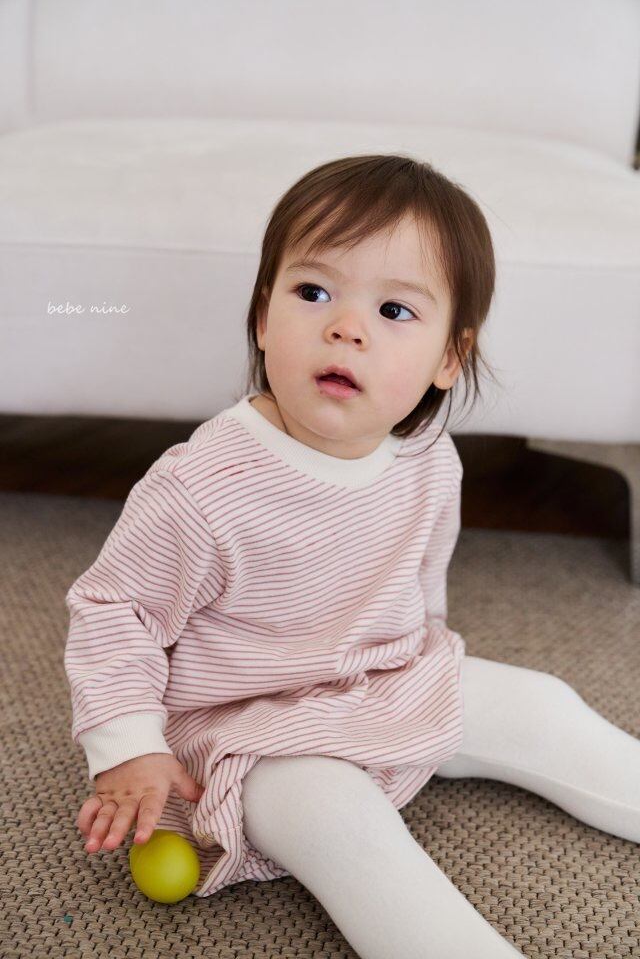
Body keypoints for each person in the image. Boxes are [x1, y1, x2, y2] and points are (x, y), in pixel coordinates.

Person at [65, 155, 639, 958]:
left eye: (395, 309)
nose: (346, 326)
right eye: (313, 293)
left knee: (543, 707)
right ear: (263, 319)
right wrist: (131, 749)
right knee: (337, 820)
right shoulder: (201, 487)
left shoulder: (429, 459)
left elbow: (420, 582)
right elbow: (114, 612)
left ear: (448, 359)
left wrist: (429, 677)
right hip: (243, 728)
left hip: (382, 676)